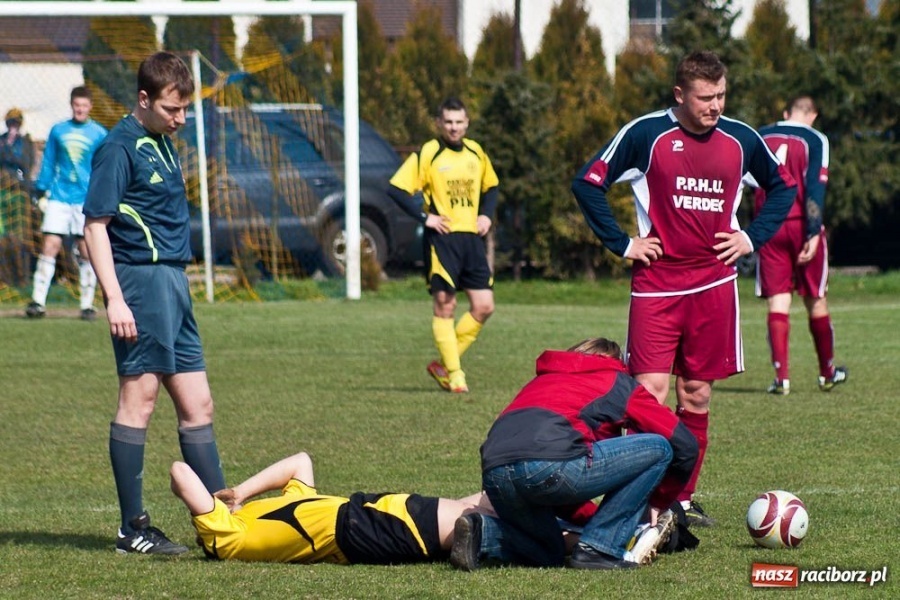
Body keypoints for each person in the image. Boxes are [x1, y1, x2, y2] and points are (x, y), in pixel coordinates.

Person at [571, 51, 797, 528]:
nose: (715, 105)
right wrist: (623, 243)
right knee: (647, 393)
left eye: (721, 95)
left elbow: (782, 188)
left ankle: (680, 500)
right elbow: (589, 183)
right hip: (657, 285)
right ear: (680, 95)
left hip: (714, 284)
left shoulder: (740, 139)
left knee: (696, 394)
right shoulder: (646, 134)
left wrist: (752, 237)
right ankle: (636, 497)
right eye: (705, 97)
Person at [83, 52, 226, 555]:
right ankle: (132, 528)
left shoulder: (162, 141)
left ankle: (222, 523)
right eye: (172, 109)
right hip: (139, 286)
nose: (181, 118)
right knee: (138, 401)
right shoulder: (118, 148)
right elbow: (94, 226)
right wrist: (115, 299)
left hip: (173, 285)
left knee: (198, 403)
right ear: (144, 99)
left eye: (185, 109)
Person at [450, 337, 698, 571]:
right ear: (614, 363)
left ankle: (483, 533)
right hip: (549, 465)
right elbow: (684, 444)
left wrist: (593, 519)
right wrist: (659, 501)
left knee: (547, 551)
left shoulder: (540, 382)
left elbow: (560, 491)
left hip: (495, 475)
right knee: (658, 447)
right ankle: (599, 548)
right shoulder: (616, 380)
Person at [171, 451, 493, 564]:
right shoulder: (224, 538)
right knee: (472, 519)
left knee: (473, 507)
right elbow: (179, 472)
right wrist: (218, 505)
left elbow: (300, 462)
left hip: (367, 514)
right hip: (359, 529)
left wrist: (240, 493)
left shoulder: (262, 513)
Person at [387, 97, 500, 394]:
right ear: (439, 123)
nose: (453, 127)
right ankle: (455, 374)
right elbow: (397, 188)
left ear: (467, 123)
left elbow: (492, 186)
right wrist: (426, 217)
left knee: (484, 306)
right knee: (445, 304)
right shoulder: (429, 153)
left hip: (471, 240)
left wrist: (486, 215)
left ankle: (443, 363)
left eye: (459, 122)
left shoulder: (476, 152)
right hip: (443, 241)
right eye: (448, 122)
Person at [755, 96, 847, 395]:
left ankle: (782, 378)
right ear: (813, 115)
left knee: (778, 301)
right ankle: (827, 372)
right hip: (800, 224)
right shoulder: (814, 138)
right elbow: (814, 187)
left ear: (785, 113)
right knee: (815, 299)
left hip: (769, 226)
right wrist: (812, 231)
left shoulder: (761, 135)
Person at [25, 87, 107, 320]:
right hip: (59, 197)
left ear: (90, 106)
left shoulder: (99, 133)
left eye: (84, 105)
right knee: (50, 245)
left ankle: (87, 304)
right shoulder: (58, 130)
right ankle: (37, 301)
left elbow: (103, 167)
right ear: (71, 105)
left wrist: (102, 194)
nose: (80, 109)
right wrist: (41, 188)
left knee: (86, 249)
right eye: (76, 105)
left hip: (85, 199)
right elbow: (49, 161)